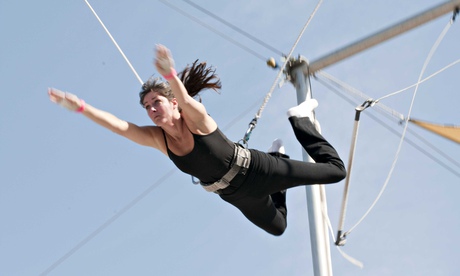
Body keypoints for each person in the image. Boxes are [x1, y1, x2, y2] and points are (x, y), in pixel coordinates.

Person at [48, 44, 346, 236]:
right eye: (147, 107)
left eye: (157, 103)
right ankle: (281, 157)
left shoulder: (196, 118)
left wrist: (171, 76)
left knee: (335, 171)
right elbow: (120, 127)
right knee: (278, 227)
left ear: (173, 102)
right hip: (235, 195)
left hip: (255, 170)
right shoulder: (158, 138)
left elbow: (186, 101)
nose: (152, 110)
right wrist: (81, 108)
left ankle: (300, 120)